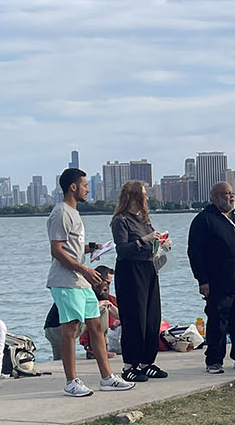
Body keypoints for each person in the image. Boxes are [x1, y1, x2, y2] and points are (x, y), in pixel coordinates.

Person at [48, 167, 133, 396]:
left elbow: (71, 248)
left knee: (96, 326)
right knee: (71, 329)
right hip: (66, 281)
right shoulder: (61, 213)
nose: (87, 189)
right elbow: (56, 251)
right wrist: (84, 269)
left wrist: (92, 249)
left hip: (80, 280)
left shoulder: (74, 213)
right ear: (73, 187)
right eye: (85, 185)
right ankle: (71, 382)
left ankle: (107, 377)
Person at [188, 180, 235, 374]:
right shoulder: (204, 220)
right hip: (218, 284)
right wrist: (202, 280)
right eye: (225, 193)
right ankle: (214, 361)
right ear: (214, 197)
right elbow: (195, 253)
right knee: (217, 324)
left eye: (231, 193)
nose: (230, 196)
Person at [110, 179, 167, 383]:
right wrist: (145, 239)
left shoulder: (143, 220)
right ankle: (129, 365)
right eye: (143, 193)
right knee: (135, 319)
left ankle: (146, 362)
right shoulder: (121, 220)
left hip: (149, 268)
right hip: (130, 271)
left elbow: (151, 244)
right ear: (134, 196)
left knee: (152, 318)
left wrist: (161, 244)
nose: (146, 197)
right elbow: (122, 250)